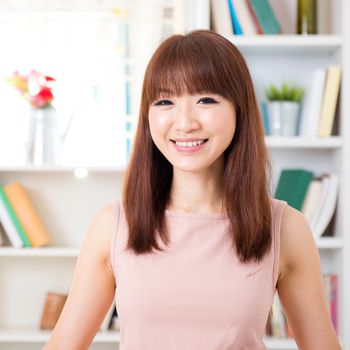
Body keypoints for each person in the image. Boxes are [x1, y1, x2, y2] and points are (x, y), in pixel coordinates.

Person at [43, 30, 341, 350]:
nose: (184, 123)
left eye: (205, 100)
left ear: (240, 110)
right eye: (165, 101)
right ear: (148, 116)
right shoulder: (113, 225)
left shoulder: (286, 227)